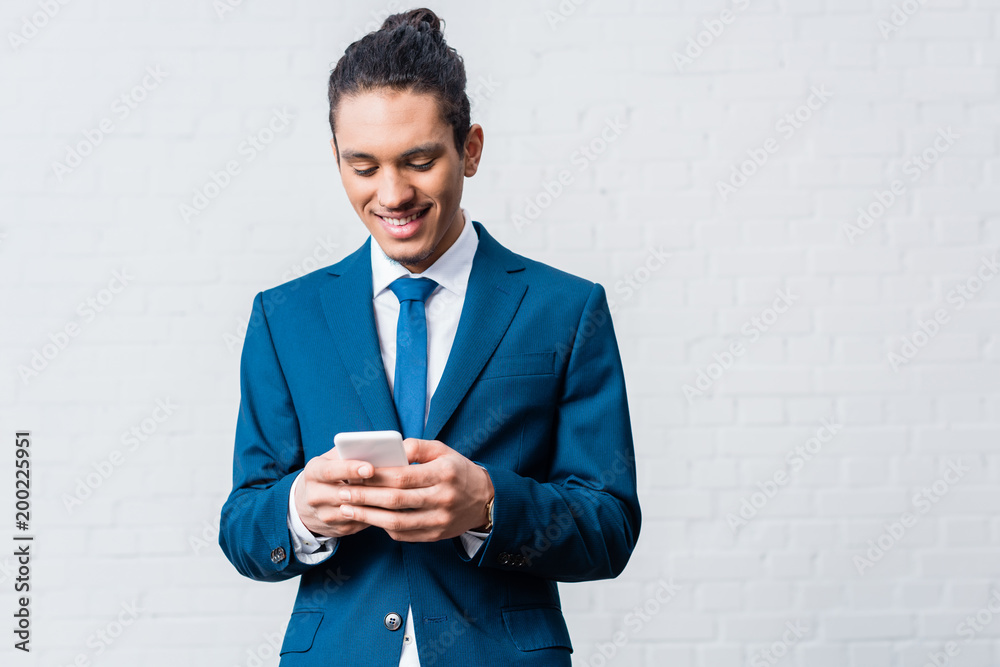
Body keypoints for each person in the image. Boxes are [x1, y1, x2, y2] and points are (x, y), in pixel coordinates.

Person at [218, 8, 640, 666]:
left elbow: (610, 525)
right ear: (336, 159)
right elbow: (243, 525)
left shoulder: (566, 309)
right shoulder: (285, 317)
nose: (392, 194)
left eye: (418, 161)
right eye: (363, 167)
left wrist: (488, 503)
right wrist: (300, 507)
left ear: (469, 149)